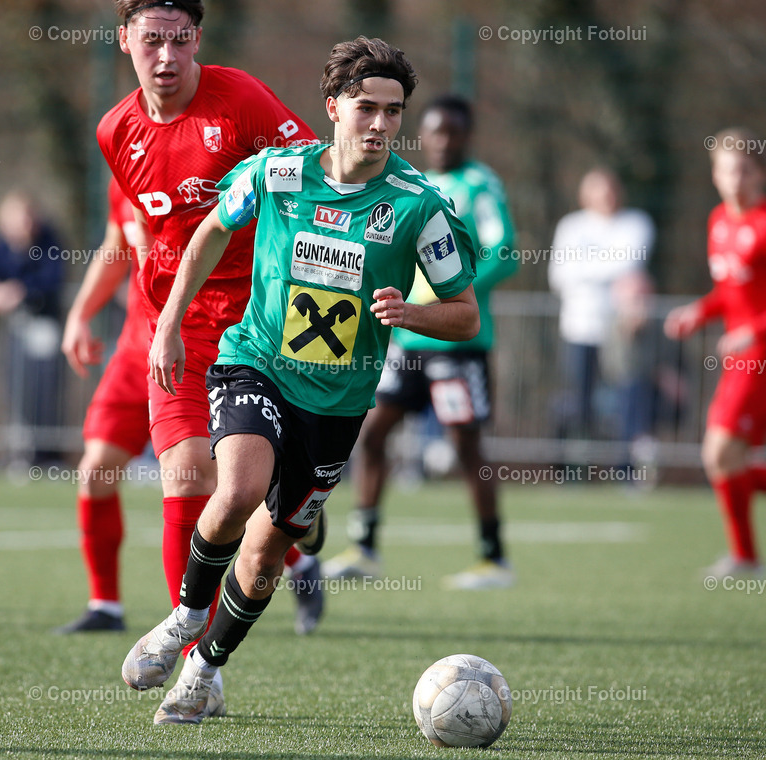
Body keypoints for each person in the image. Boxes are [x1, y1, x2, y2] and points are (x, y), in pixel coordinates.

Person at [124, 36, 479, 724]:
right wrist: (168, 322)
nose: (380, 125)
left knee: (264, 553)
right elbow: (211, 232)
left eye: (393, 112)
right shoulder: (278, 171)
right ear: (333, 108)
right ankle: (183, 619)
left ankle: (204, 669)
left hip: (340, 403)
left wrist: (414, 313)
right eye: (366, 108)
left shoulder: (418, 205)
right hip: (256, 362)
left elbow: (465, 315)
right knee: (238, 487)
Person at [84, 0, 324, 635]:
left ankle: (290, 518)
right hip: (178, 325)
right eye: (152, 41)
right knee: (187, 474)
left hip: (261, 323)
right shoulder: (115, 132)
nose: (166, 57)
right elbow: (140, 234)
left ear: (197, 40)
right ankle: (196, 662)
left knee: (250, 492)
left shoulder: (240, 100)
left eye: (180, 41)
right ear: (124, 42)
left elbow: (316, 175)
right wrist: (132, 315)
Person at [322, 94, 518, 590]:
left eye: (453, 132)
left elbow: (506, 250)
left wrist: (460, 292)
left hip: (456, 345)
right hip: (407, 342)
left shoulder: (479, 185)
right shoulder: (412, 183)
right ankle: (364, 546)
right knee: (374, 432)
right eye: (435, 131)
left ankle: (494, 557)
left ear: (466, 136)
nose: (443, 140)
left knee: (465, 445)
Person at [664, 127, 766, 579]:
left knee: (719, 452)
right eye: (726, 170)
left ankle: (745, 557)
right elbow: (729, 292)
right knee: (727, 460)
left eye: (744, 170)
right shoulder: (719, 220)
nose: (735, 179)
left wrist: (751, 331)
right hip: (743, 358)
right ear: (715, 175)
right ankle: (746, 558)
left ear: (761, 173)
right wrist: (697, 313)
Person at [56, 177, 150, 632]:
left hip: (205, 346)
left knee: (223, 485)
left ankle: (295, 559)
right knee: (95, 471)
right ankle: (106, 605)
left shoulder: (209, 164)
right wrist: (80, 314)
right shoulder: (123, 173)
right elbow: (116, 247)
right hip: (137, 352)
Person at [549, 168, 655, 442]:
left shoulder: (636, 223)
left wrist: (583, 270)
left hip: (622, 326)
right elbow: (559, 275)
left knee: (628, 395)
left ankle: (626, 466)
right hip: (579, 325)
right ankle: (576, 467)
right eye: (597, 189)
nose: (605, 196)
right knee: (578, 397)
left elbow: (629, 263)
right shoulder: (571, 226)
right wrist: (608, 271)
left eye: (610, 189)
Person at [0, 191, 65, 468]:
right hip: (15, 329)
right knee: (18, 392)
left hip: (45, 327)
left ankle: (48, 455)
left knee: (44, 391)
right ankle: (21, 453)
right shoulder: (0, 245)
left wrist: (23, 291)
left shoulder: (50, 241)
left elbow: (53, 279)